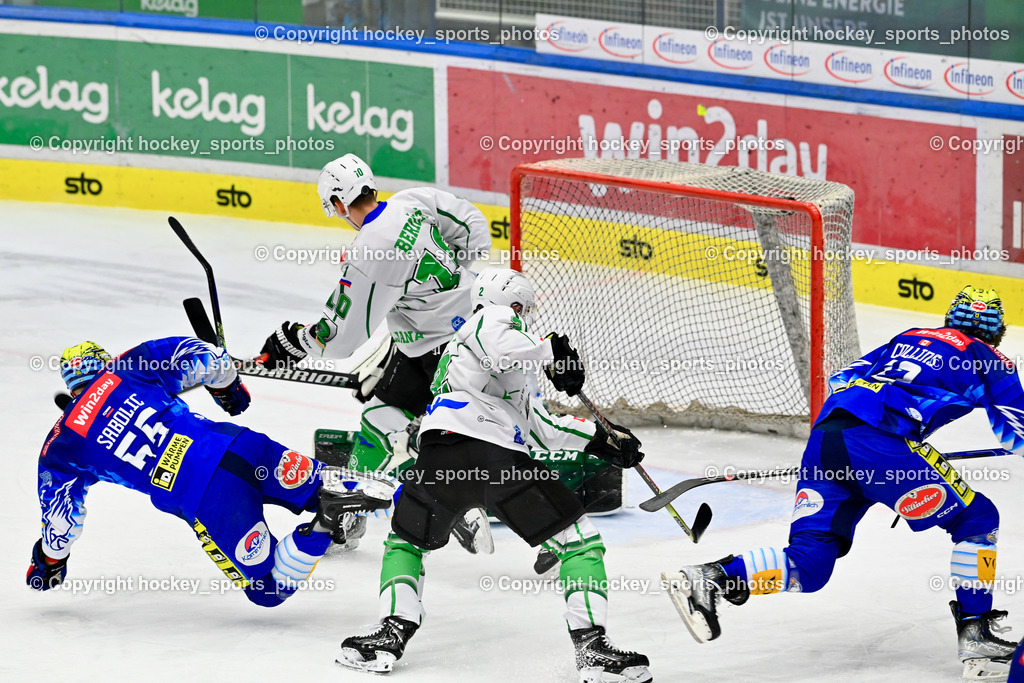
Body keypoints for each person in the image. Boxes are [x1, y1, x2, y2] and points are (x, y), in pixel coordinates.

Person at [666, 286, 1023, 680]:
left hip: (827, 438)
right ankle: (977, 634)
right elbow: (1017, 433)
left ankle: (711, 578)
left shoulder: (911, 337)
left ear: (950, 319)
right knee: (977, 519)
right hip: (880, 446)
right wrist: (890, 449)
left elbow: (842, 379)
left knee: (809, 565)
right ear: (998, 331)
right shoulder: (992, 359)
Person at [335, 268, 653, 683]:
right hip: (494, 457)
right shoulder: (490, 322)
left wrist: (602, 439)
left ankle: (391, 632)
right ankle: (592, 648)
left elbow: (540, 425)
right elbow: (504, 342)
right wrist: (551, 351)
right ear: (515, 304)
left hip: (440, 459)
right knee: (578, 544)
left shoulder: (473, 355)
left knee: (405, 543)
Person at [27, 338, 394, 606]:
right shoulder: (128, 366)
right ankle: (418, 495)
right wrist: (230, 389)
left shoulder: (61, 446)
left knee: (267, 589)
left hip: (208, 497)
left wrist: (48, 561)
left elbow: (62, 526)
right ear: (102, 362)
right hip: (242, 445)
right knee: (321, 480)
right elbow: (208, 358)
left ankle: (325, 522)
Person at [257, 153, 492, 551]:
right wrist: (456, 289)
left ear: (337, 201)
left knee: (451, 434)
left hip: (442, 354)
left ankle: (463, 509)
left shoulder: (369, 250)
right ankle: (346, 516)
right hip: (469, 331)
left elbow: (341, 338)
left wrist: (294, 341)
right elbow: (473, 225)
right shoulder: (412, 201)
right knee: (382, 417)